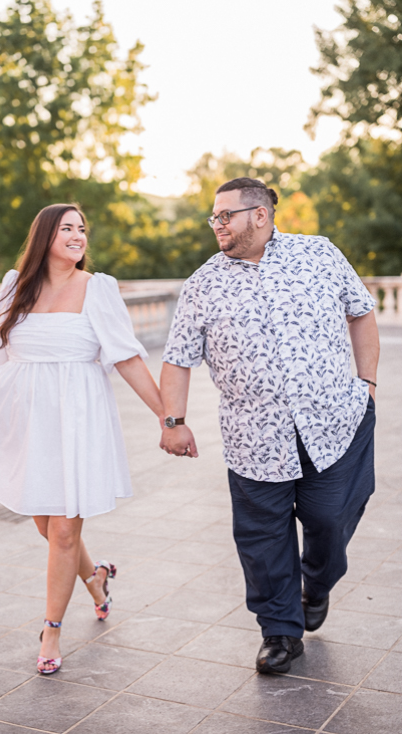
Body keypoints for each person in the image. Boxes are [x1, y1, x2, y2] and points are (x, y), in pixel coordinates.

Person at [159, 177, 379, 674]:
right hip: (254, 437)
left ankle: (315, 585)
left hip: (337, 422)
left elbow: (362, 313)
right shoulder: (203, 284)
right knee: (262, 539)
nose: (216, 224)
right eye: (213, 217)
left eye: (225, 216)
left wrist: (367, 384)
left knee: (330, 519)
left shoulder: (319, 255)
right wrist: (173, 421)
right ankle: (280, 631)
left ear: (259, 215)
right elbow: (176, 360)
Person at [0, 204, 164, 675]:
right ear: (44, 236)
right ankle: (97, 578)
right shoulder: (16, 285)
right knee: (49, 528)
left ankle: (51, 631)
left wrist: (168, 414)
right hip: (28, 418)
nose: (78, 235)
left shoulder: (97, 289)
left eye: (83, 228)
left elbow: (126, 358)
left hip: (78, 418)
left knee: (64, 530)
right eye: (67, 228)